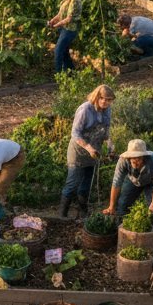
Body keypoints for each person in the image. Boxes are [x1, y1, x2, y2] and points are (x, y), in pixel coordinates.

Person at [60, 83, 115, 218]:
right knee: (72, 183)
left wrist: (109, 144)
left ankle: (83, 213)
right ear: (97, 97)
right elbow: (75, 133)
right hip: (78, 152)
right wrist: (89, 148)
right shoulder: (85, 109)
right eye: (103, 98)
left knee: (86, 184)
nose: (105, 102)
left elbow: (105, 131)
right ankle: (62, 215)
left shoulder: (107, 110)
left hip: (94, 152)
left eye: (109, 100)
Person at [103, 139, 153, 218]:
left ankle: (152, 226)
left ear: (143, 156)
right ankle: (123, 224)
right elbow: (116, 182)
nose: (136, 160)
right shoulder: (123, 161)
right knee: (122, 206)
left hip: (151, 182)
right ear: (129, 157)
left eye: (138, 158)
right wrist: (111, 206)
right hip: (132, 180)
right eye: (133, 158)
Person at [47, 0, 82, 73]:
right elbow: (60, 14)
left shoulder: (75, 0)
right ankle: (72, 73)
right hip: (64, 29)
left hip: (69, 30)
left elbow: (69, 19)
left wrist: (56, 25)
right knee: (65, 53)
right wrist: (52, 21)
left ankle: (58, 75)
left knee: (58, 51)